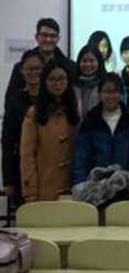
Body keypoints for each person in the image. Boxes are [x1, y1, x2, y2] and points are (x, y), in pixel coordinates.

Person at [20, 60, 80, 202]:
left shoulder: (74, 110)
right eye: (52, 79)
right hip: (44, 188)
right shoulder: (34, 113)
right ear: (44, 82)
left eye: (62, 79)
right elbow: (27, 156)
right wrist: (30, 191)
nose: (57, 83)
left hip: (72, 187)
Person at [71, 73, 129, 186]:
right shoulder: (90, 120)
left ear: (121, 94)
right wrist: (80, 184)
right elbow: (81, 157)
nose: (110, 96)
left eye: (114, 92)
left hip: (127, 183)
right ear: (99, 93)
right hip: (96, 185)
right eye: (106, 91)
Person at [1, 50, 43, 207]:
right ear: (22, 71)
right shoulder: (15, 101)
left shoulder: (51, 99)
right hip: (21, 170)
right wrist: (8, 180)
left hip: (47, 169)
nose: (33, 72)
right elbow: (7, 142)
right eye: (29, 69)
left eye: (37, 68)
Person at [5, 18, 75, 110]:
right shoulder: (20, 67)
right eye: (44, 35)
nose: (48, 39)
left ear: (58, 38)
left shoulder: (70, 67)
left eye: (53, 36)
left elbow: (73, 99)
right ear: (37, 37)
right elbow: (10, 100)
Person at [74, 45, 106, 119]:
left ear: (99, 62)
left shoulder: (106, 84)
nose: (88, 64)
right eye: (84, 61)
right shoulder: (73, 85)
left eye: (91, 61)